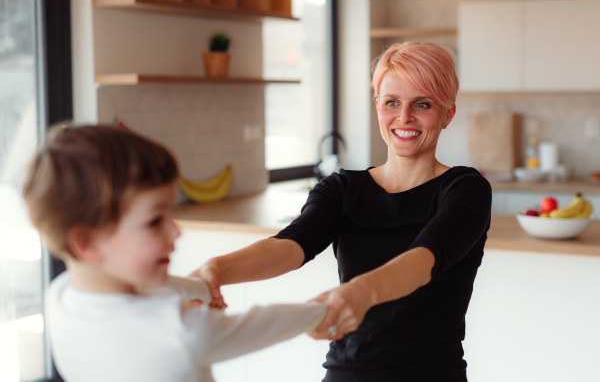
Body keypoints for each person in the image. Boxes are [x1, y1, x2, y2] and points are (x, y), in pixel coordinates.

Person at [190, 42, 492, 382]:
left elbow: (424, 260)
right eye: (392, 102)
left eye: (422, 104)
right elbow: (291, 244)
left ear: (447, 113)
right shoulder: (342, 188)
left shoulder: (465, 188)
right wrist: (218, 269)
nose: (404, 118)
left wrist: (360, 293)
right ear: (377, 106)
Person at [23, 125, 327, 382]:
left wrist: (203, 291)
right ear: (87, 242)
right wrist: (326, 308)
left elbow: (155, 290)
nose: (176, 231)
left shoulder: (61, 295)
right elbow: (267, 322)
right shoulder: (179, 329)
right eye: (155, 221)